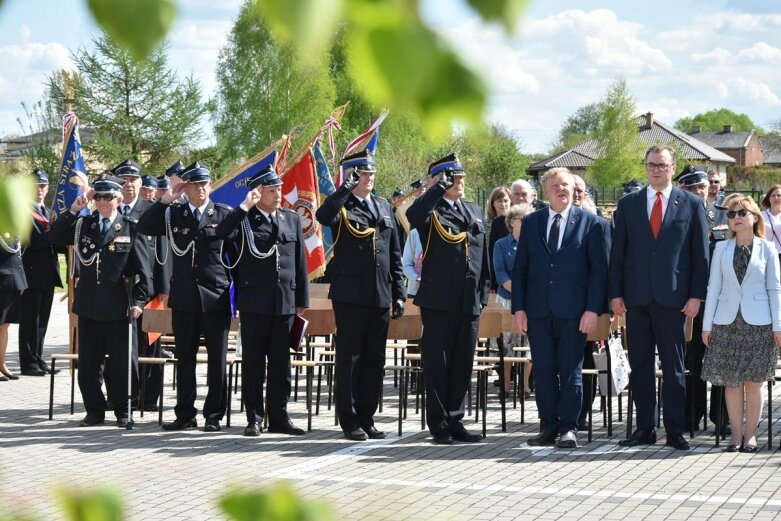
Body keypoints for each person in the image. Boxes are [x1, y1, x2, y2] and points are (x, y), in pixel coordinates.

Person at [609, 145, 709, 451]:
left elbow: (700, 256)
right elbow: (617, 254)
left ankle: (675, 430)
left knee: (674, 368)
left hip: (674, 300)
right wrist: (615, 294)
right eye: (651, 165)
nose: (656, 170)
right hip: (636, 300)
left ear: (672, 167)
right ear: (645, 167)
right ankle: (645, 428)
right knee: (640, 367)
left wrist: (696, 296)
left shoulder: (691, 204)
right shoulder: (628, 205)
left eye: (662, 165)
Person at [512, 168, 607, 448]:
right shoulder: (531, 223)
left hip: (575, 313)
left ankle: (569, 427)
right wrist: (519, 308)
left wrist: (592, 309)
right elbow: (520, 271)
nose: (561, 189)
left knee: (570, 371)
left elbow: (598, 271)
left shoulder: (591, 223)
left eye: (565, 184)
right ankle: (548, 426)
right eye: (554, 185)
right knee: (543, 370)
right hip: (538, 311)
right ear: (545, 191)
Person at [315, 149, 406, 441]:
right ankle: (350, 420)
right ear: (352, 175)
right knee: (350, 359)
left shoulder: (382, 206)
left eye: (371, 174)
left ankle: (367, 417)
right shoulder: (341, 205)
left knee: (374, 360)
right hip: (351, 295)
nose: (368, 178)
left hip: (380, 294)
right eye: (362, 174)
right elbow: (323, 215)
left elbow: (394, 254)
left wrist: (399, 292)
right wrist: (344, 188)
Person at [137, 162, 234, 432]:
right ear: (186, 188)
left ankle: (213, 414)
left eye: (204, 183)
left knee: (217, 359)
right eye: (194, 184)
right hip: (185, 298)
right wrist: (167, 199)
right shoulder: (174, 214)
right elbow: (145, 225)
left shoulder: (224, 214)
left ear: (210, 185)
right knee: (185, 360)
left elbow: (236, 256)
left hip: (215, 297)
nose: (200, 189)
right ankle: (185, 413)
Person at [49, 174, 151, 427]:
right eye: (99, 196)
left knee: (122, 364)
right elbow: (56, 236)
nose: (103, 201)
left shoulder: (131, 227)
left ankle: (123, 409)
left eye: (108, 197)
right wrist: (74, 210)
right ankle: (94, 410)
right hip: (90, 305)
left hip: (119, 307)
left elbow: (144, 271)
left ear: (118, 198)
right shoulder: (85, 225)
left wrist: (139, 302)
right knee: (89, 364)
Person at [215, 166, 309, 437]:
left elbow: (300, 264)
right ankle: (254, 418)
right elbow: (221, 233)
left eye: (279, 189)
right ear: (258, 193)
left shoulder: (291, 219)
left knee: (281, 366)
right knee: (254, 364)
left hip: (285, 304)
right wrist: (244, 206)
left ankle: (279, 417)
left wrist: (300, 301)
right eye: (271, 190)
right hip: (255, 303)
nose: (278, 194)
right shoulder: (244, 220)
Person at [407, 153, 490, 445]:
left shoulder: (474, 209)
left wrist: (482, 294)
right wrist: (437, 189)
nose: (460, 183)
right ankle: (439, 424)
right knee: (438, 364)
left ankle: (456, 419)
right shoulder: (431, 210)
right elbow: (412, 216)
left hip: (469, 301)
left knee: (462, 363)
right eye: (454, 179)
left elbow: (482, 256)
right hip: (439, 300)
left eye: (462, 178)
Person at [701, 194, 781, 453]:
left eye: (741, 213)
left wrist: (778, 326)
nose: (735, 218)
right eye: (731, 214)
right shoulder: (721, 249)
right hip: (726, 323)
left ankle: (751, 436)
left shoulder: (767, 248)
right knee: (731, 383)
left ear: (754, 217)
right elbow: (713, 288)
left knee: (754, 383)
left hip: (759, 324)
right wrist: (707, 325)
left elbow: (775, 289)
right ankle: (735, 435)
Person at [676, 166, 717, 432]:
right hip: (691, 301)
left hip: (720, 301)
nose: (698, 192)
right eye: (691, 188)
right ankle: (691, 414)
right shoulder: (677, 217)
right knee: (692, 360)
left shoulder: (725, 216)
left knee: (722, 360)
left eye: (701, 187)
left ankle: (722, 418)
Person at [572, 174, 612, 430]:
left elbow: (605, 267)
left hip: (588, 306)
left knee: (586, 362)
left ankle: (582, 413)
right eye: (572, 189)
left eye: (580, 190)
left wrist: (599, 307)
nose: (576, 194)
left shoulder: (599, 224)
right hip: (559, 306)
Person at [18, 169, 62, 376]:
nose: (40, 190)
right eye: (36, 186)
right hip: (31, 273)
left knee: (42, 321)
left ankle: (37, 357)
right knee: (30, 320)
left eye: (43, 186)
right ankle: (28, 363)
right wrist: (55, 230)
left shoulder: (44, 210)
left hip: (46, 273)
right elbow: (34, 242)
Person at [492, 203, 533, 397]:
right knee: (507, 344)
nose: (526, 223)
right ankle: (506, 386)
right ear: (511, 222)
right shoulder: (501, 244)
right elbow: (500, 274)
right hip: (507, 299)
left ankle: (524, 385)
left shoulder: (535, 243)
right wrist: (519, 291)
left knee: (528, 345)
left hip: (531, 300)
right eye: (522, 220)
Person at [0, 224, 28, 382]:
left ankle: (1, 363)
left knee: (5, 325)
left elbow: (17, 255)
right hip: (2, 279)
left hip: (12, 280)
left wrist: (21, 280)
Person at [760, 185, 781, 261]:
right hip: (765, 255)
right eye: (773, 195)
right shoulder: (761, 215)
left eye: (779, 195)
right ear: (769, 198)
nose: (776, 198)